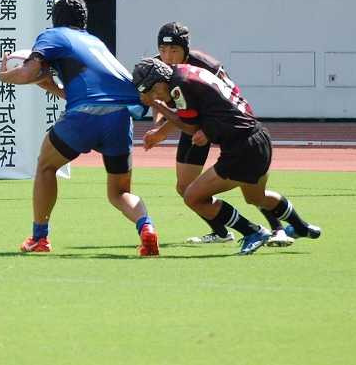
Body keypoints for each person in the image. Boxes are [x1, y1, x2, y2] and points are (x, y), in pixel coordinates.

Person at [0, 0, 159, 256]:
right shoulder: (95, 42)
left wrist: (4, 76)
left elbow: (28, 72)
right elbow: (94, 93)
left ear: (55, 19)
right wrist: (51, 86)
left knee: (46, 166)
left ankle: (39, 238)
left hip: (85, 117)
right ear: (84, 21)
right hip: (120, 116)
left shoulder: (53, 35)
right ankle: (146, 227)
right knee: (119, 192)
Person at [132, 57, 322, 256]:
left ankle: (253, 232)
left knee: (192, 197)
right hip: (258, 138)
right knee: (256, 197)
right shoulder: (184, 72)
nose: (153, 95)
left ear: (160, 80)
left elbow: (189, 127)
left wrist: (157, 104)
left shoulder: (179, 86)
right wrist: (205, 129)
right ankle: (300, 226)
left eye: (152, 90)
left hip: (241, 149)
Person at [152, 22, 293, 247]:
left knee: (248, 178)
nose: (167, 57)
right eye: (163, 50)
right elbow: (160, 99)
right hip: (191, 125)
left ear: (185, 50)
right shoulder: (158, 66)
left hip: (222, 126)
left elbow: (231, 99)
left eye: (174, 50)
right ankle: (221, 232)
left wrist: (162, 132)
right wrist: (158, 124)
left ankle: (277, 228)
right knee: (185, 188)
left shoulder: (207, 66)